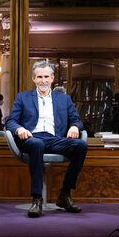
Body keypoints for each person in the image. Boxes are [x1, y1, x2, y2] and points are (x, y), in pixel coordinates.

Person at [6, 60, 87, 218]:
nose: (43, 80)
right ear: (33, 79)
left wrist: (75, 127)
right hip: (31, 139)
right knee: (37, 144)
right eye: (39, 77)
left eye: (46, 76)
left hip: (54, 139)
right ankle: (37, 199)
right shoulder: (23, 97)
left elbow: (76, 119)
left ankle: (65, 194)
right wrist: (19, 129)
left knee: (80, 146)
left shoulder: (64, 99)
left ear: (52, 78)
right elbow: (10, 121)